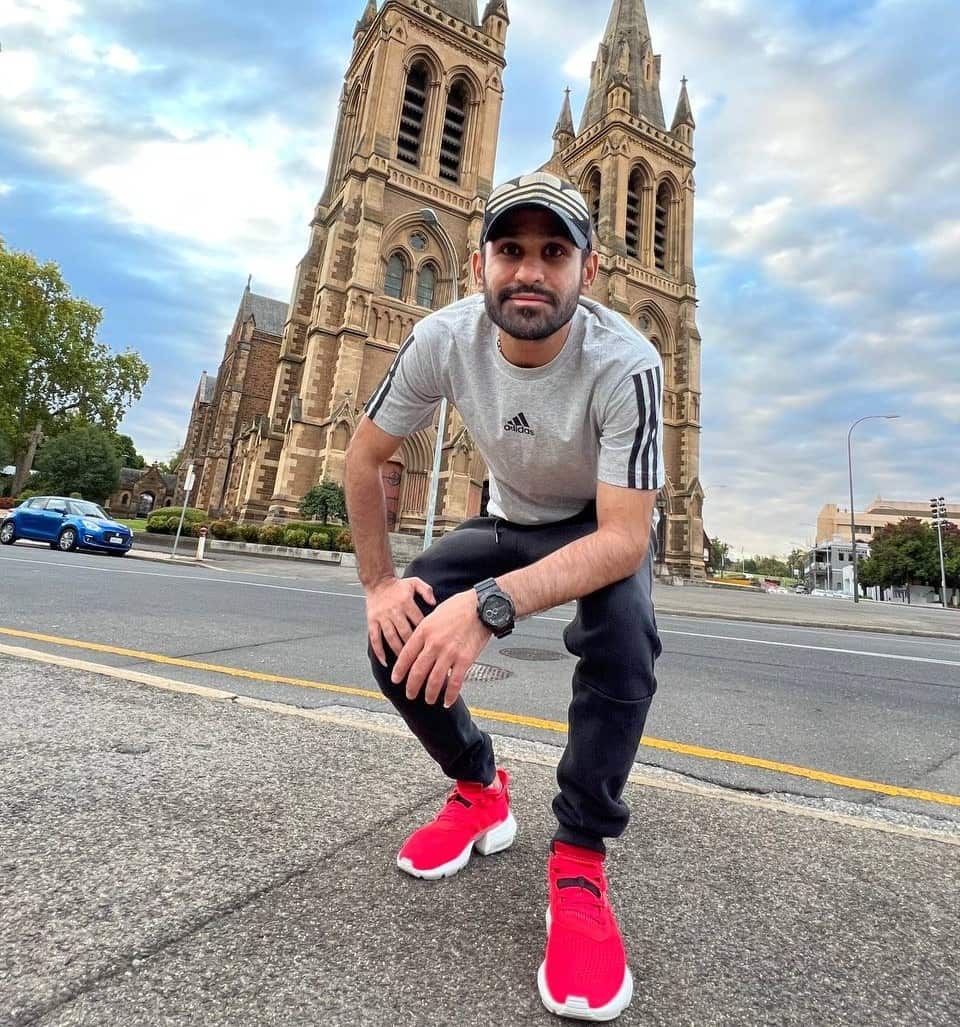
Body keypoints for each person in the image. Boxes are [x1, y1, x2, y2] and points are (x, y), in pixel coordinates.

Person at [344, 170, 663, 1022]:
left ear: (588, 271)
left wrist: (489, 606)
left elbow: (626, 539)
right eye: (511, 249)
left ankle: (580, 859)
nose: (530, 270)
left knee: (625, 635)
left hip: (597, 523)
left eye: (553, 251)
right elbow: (362, 456)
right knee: (395, 629)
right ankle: (481, 789)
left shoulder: (628, 361)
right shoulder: (442, 337)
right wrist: (380, 584)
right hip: (507, 518)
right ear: (480, 262)